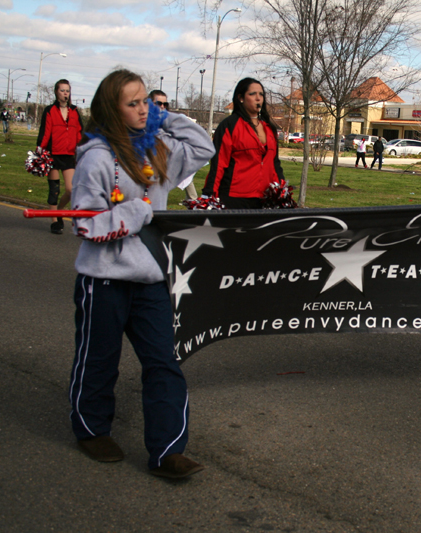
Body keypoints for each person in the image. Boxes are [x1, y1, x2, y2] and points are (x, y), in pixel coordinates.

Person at [68, 69, 214, 478]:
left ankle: (168, 451)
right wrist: (134, 213)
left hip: (151, 278)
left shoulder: (159, 148)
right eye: (132, 104)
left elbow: (204, 146)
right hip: (104, 279)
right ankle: (91, 429)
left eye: (145, 101)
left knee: (164, 362)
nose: (142, 110)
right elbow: (85, 224)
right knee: (99, 359)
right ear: (111, 110)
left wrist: (164, 116)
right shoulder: (97, 157)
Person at [202, 77, 285, 209]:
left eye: (261, 94)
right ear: (241, 98)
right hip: (234, 198)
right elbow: (218, 164)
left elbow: (275, 164)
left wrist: (282, 191)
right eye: (252, 94)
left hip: (264, 199)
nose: (258, 98)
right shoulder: (229, 125)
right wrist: (209, 194)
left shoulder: (270, 128)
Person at [37, 79, 83, 234]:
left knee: (71, 189)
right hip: (53, 154)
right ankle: (55, 221)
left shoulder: (75, 111)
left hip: (69, 155)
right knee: (54, 190)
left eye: (67, 91)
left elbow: (79, 133)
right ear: (56, 92)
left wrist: (82, 149)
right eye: (62, 90)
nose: (65, 93)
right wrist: (40, 149)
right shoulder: (50, 110)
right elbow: (45, 132)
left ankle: (59, 211)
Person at [149, 90, 199, 202]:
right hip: (150, 161)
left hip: (166, 158)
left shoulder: (169, 123)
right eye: (158, 103)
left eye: (165, 104)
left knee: (185, 175)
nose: (162, 107)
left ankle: (192, 199)